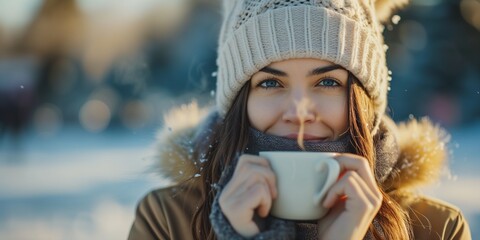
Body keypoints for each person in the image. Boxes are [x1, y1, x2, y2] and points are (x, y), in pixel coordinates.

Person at [128, 0, 472, 239]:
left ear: (365, 101)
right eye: (270, 83)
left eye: (327, 82)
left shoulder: (438, 229)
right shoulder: (167, 221)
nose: (299, 113)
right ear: (238, 103)